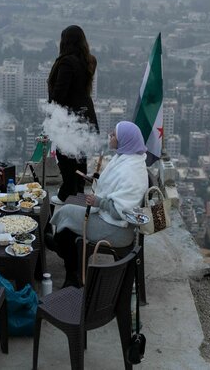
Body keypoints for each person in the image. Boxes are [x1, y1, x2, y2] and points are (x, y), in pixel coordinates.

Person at [47, 121, 149, 288]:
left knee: (66, 212)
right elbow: (115, 189)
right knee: (70, 208)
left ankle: (71, 271)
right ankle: (65, 249)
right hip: (110, 219)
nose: (110, 135)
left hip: (116, 229)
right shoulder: (129, 159)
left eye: (114, 134)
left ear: (125, 140)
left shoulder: (131, 171)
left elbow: (122, 212)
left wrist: (99, 201)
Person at [47, 25, 99, 205]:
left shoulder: (66, 62)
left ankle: (66, 194)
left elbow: (60, 94)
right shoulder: (89, 60)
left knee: (65, 157)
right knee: (79, 157)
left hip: (69, 118)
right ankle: (78, 193)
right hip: (85, 117)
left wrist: (52, 113)